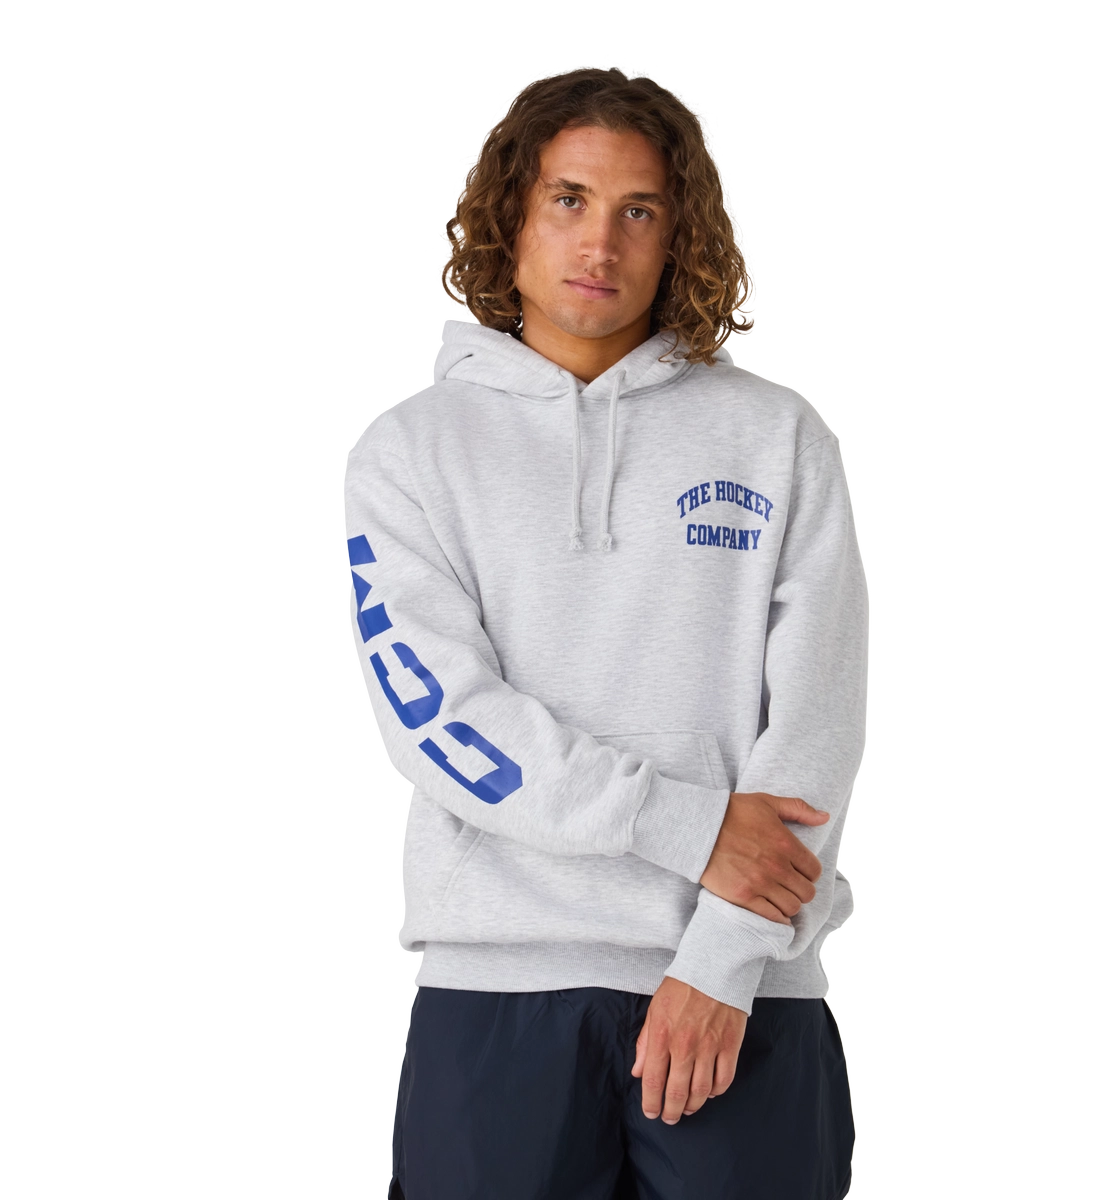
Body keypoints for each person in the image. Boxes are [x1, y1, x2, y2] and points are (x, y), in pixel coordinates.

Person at [345, 65, 869, 1200]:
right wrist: (685, 826)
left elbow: (816, 727)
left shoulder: (776, 439)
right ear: (511, 216)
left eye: (640, 210)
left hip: (744, 994)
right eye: (570, 199)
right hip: (498, 993)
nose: (601, 242)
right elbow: (439, 719)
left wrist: (721, 963)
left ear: (680, 237)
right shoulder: (413, 451)